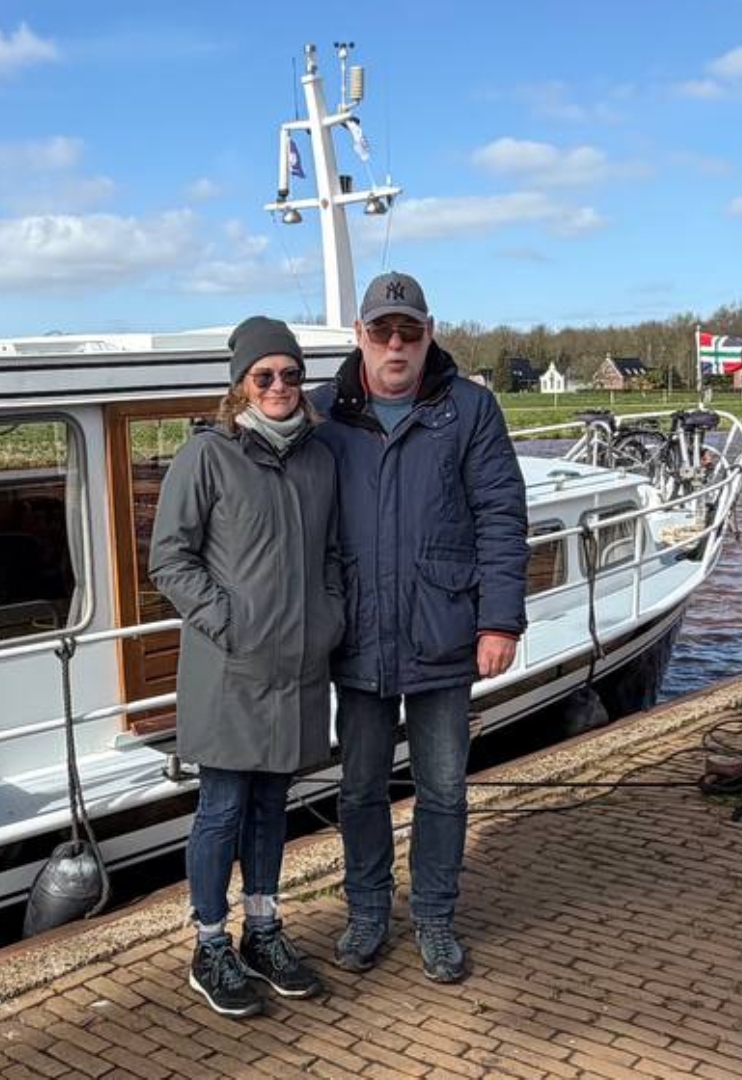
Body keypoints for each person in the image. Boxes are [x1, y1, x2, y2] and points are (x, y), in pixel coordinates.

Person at [306, 271, 528, 984]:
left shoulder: (469, 410)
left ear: (429, 333)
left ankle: (434, 917)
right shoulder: (320, 415)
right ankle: (367, 912)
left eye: (409, 330)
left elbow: (501, 515)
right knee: (361, 788)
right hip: (358, 636)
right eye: (381, 331)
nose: (395, 344)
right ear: (359, 337)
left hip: (443, 629)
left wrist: (499, 620)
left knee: (443, 788)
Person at [149, 315, 345, 1018]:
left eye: (291, 374)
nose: (280, 386)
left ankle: (264, 930)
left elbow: (329, 555)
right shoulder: (207, 457)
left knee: (271, 805)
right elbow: (169, 558)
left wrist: (328, 617)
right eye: (265, 375)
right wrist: (228, 621)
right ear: (241, 385)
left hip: (297, 665)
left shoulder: (319, 458)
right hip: (230, 669)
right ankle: (210, 944)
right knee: (222, 808)